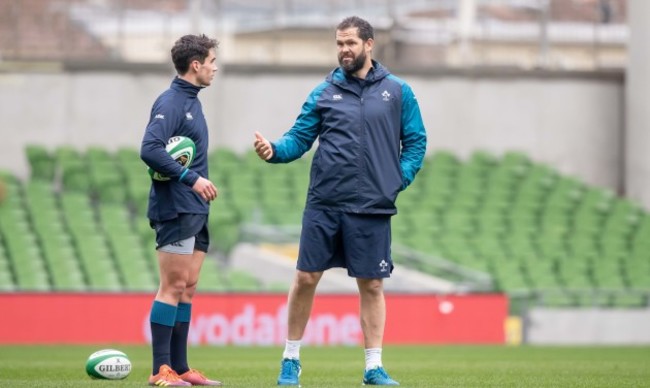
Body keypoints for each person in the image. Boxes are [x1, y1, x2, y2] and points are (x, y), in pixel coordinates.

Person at [254, 16, 427, 386]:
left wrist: (398, 178)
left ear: (369, 45)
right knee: (305, 277)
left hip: (372, 205)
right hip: (325, 203)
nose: (344, 50)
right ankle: (290, 360)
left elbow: (415, 142)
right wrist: (274, 151)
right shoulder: (323, 91)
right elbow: (298, 138)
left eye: (350, 43)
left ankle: (373, 367)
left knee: (373, 284)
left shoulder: (398, 92)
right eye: (339, 44)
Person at [140, 34, 221, 387]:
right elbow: (150, 149)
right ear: (196, 64)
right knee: (172, 286)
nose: (215, 67)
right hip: (175, 206)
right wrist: (192, 178)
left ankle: (182, 367)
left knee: (188, 287)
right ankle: (161, 371)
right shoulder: (171, 101)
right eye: (212, 61)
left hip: (195, 208)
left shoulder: (193, 101)